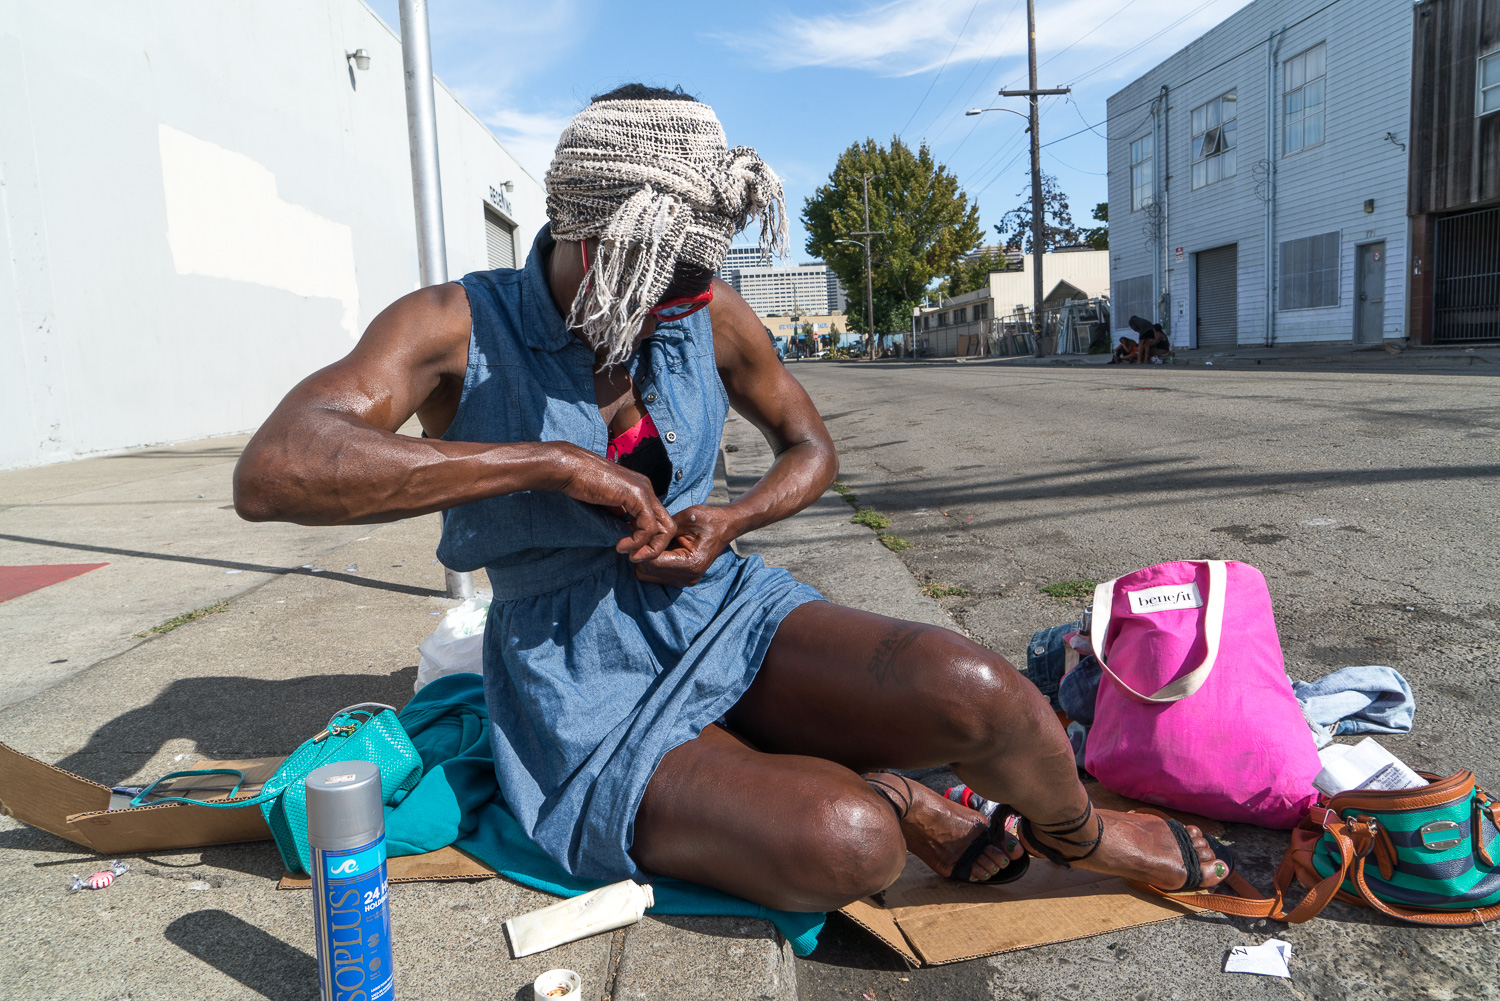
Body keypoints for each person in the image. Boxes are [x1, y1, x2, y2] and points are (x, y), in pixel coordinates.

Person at [234, 84, 1227, 913]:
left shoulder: (703, 308)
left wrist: (736, 517)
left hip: (718, 606)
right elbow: (278, 468)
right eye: (661, 274)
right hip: (573, 674)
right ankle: (878, 787)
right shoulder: (456, 323)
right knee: (851, 843)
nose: (682, 300)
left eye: (698, 276)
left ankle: (1083, 836)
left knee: (981, 692)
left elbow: (808, 442)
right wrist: (544, 461)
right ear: (587, 235)